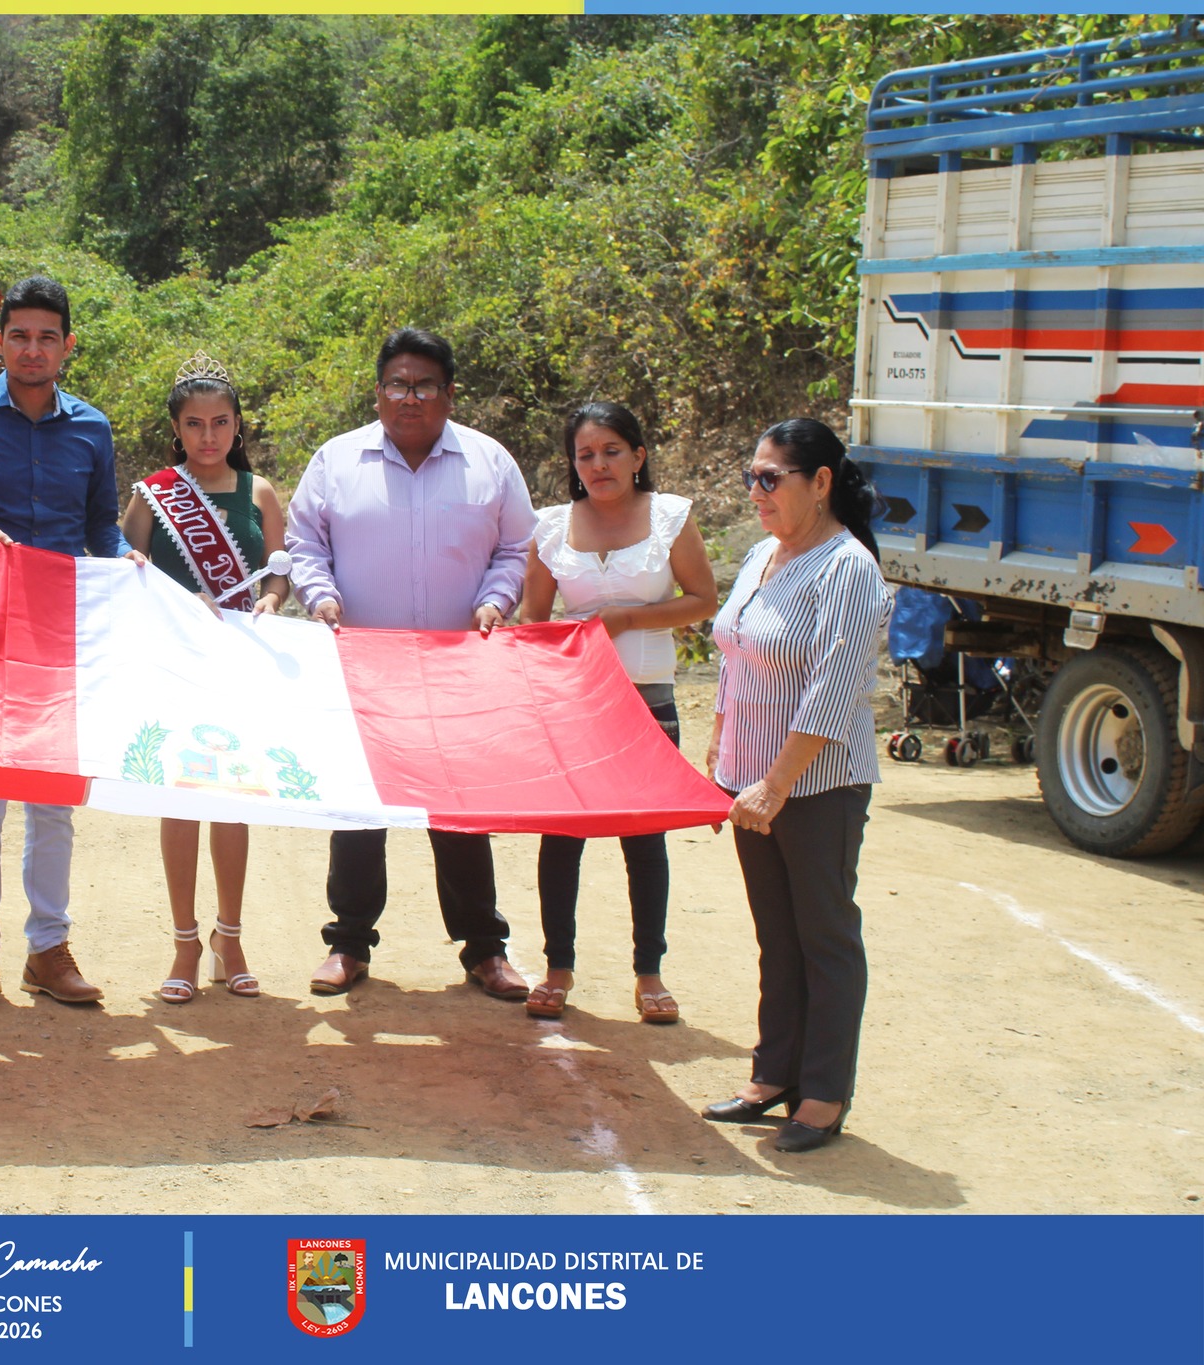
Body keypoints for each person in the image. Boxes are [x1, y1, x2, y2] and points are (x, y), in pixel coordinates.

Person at [0, 276, 148, 1011]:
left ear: (67, 346)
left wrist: (120, 557)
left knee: (53, 801)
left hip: (63, 635)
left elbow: (100, 523)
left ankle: (49, 949)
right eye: (20, 336)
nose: (33, 349)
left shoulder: (92, 429)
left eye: (47, 337)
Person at [284, 327, 538, 1000]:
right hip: (364, 665)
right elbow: (305, 538)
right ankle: (348, 944)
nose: (410, 397)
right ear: (378, 393)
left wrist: (495, 600)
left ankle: (485, 948)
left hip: (459, 668)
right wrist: (321, 594)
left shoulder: (489, 462)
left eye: (425, 385)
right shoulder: (337, 461)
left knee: (459, 812)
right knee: (359, 809)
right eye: (397, 384)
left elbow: (516, 548)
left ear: (449, 394)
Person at [701, 417, 887, 1153]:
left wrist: (776, 785)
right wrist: (725, 755)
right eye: (752, 477)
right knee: (776, 936)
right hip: (751, 782)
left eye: (771, 478)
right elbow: (734, 656)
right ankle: (772, 1074)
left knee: (824, 937)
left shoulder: (848, 567)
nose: (757, 491)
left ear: (821, 482)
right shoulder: (761, 555)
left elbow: (833, 689)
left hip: (815, 788)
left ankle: (823, 1094)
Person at [518, 402, 718, 1024]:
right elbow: (534, 620)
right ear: (572, 464)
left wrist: (627, 619)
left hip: (648, 699)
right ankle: (557, 968)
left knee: (644, 837)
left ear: (639, 455)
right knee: (562, 836)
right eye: (585, 454)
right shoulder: (549, 527)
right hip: (575, 703)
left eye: (611, 451)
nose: (598, 465)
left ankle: (649, 973)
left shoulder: (670, 517)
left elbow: (702, 600)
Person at [120, 352, 289, 1003]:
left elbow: (280, 568)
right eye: (195, 424)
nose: (209, 436)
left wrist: (272, 599)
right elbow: (124, 561)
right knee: (181, 799)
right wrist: (145, 572)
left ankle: (231, 936)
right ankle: (186, 941)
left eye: (221, 422)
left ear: (238, 424)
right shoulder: (153, 492)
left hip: (240, 666)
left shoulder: (261, 491)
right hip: (174, 665)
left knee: (232, 799)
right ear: (178, 429)